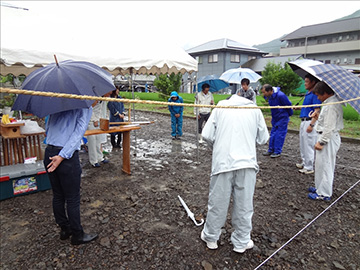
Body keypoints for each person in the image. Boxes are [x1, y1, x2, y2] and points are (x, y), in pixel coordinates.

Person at [200, 94, 269, 253]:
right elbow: (263, 138)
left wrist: (216, 148)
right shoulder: (255, 109)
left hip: (223, 162)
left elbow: (207, 135)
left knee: (218, 201)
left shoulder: (222, 106)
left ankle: (211, 238)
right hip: (247, 163)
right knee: (244, 204)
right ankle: (241, 242)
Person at [44, 108, 98, 245]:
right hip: (65, 157)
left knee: (58, 195)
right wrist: (62, 155)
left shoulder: (56, 102)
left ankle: (64, 229)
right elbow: (78, 133)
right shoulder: (84, 106)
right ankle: (77, 234)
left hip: (49, 151)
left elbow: (48, 127)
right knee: (72, 198)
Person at [308, 81, 344, 201]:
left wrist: (322, 142)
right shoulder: (329, 103)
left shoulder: (331, 105)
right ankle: (319, 187)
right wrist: (318, 118)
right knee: (320, 164)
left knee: (326, 165)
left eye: (319, 95)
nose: (318, 97)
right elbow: (326, 122)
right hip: (326, 136)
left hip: (328, 139)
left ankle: (324, 193)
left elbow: (329, 127)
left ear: (325, 93)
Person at [296, 74, 321, 174]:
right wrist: (299, 108)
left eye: (307, 82)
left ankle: (309, 166)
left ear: (313, 82)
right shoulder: (308, 93)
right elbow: (307, 107)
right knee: (303, 143)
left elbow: (317, 110)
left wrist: (312, 125)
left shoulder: (315, 94)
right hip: (303, 120)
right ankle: (304, 161)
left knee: (308, 144)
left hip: (309, 121)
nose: (305, 84)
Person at [261, 84, 293, 158]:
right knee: (273, 133)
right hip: (275, 117)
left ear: (269, 91)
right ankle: (270, 149)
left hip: (282, 117)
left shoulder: (281, 95)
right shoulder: (270, 96)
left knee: (280, 134)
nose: (263, 94)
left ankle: (277, 151)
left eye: (264, 92)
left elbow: (288, 105)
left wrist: (288, 114)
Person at [87, 100, 110, 167]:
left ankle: (100, 157)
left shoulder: (102, 98)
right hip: (91, 121)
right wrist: (94, 120)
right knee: (92, 141)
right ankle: (93, 161)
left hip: (98, 121)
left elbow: (99, 110)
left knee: (98, 140)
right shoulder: (93, 97)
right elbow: (90, 108)